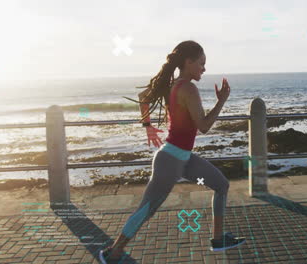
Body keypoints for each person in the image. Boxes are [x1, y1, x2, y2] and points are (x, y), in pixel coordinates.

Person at [100, 40, 246, 263]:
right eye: (201, 63)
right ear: (188, 62)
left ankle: (218, 239)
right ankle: (113, 252)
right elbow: (204, 125)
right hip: (170, 161)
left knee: (221, 185)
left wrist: (148, 127)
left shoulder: (172, 85)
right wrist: (221, 102)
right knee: (147, 209)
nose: (204, 68)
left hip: (183, 159)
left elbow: (143, 98)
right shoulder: (187, 87)